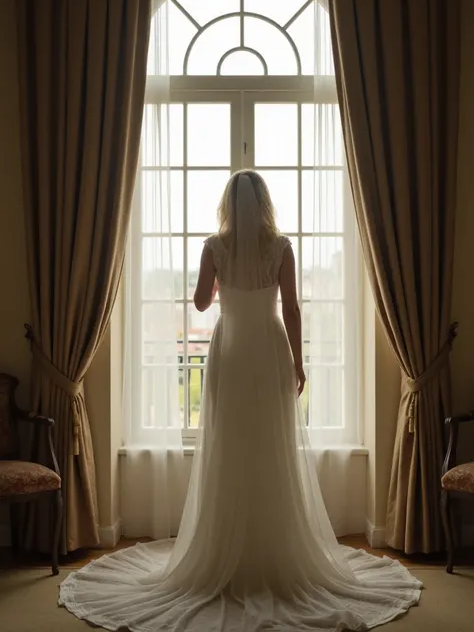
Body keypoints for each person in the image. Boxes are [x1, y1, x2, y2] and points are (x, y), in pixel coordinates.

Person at [59, 170, 422, 631]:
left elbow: (198, 304)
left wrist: (216, 286)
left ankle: (223, 548)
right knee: (272, 448)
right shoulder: (281, 247)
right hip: (270, 350)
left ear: (229, 205)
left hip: (230, 351)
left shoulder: (215, 245)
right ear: (264, 204)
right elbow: (291, 309)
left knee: (228, 447)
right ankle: (272, 547)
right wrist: (299, 363)